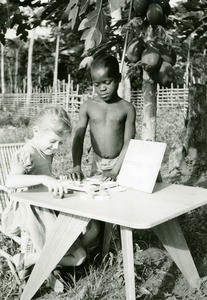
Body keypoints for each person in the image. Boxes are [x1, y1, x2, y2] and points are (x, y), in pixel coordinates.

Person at [3, 106, 99, 279]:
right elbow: (11, 181)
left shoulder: (45, 150)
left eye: (60, 143)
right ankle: (44, 259)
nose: (56, 147)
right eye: (53, 141)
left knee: (93, 229)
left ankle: (33, 259)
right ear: (36, 131)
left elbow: (46, 177)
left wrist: (58, 180)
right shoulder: (27, 153)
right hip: (29, 210)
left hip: (45, 204)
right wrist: (44, 179)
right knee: (80, 257)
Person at [70, 53, 136, 181]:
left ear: (118, 78)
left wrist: (115, 171)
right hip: (97, 163)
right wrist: (76, 166)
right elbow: (78, 137)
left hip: (120, 163)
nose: (102, 88)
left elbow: (129, 142)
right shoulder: (88, 106)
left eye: (107, 82)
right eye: (97, 84)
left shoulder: (127, 108)